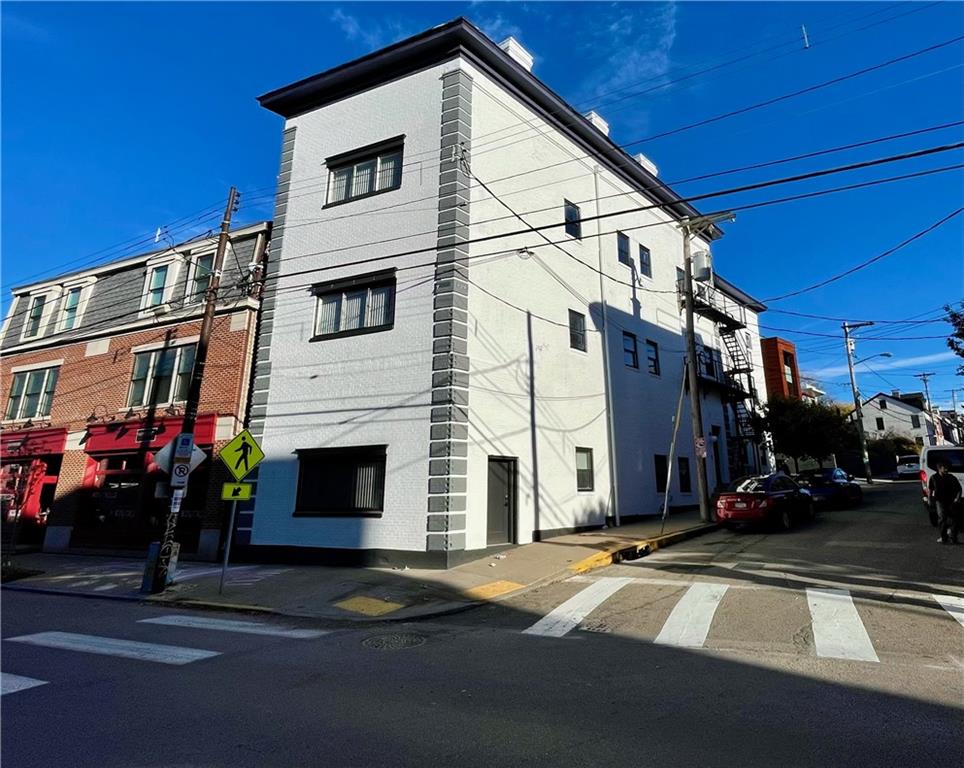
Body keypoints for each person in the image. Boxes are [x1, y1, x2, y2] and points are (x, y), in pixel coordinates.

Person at [928, 462, 961, 544]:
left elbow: (959, 489)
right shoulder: (933, 478)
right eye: (944, 468)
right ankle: (944, 537)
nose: (946, 469)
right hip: (940, 501)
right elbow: (930, 490)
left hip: (951, 501)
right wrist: (929, 499)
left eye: (947, 468)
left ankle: (953, 537)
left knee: (954, 519)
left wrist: (957, 498)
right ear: (939, 468)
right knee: (942, 518)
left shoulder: (952, 477)